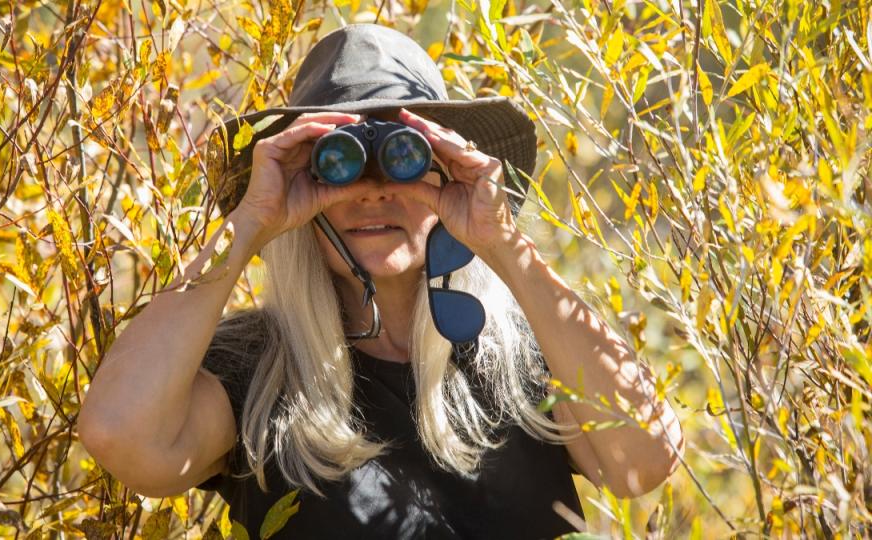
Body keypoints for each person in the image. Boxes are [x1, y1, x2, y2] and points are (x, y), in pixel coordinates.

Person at [78, 24, 684, 539]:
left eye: (405, 155)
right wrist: (251, 223)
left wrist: (500, 241)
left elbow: (644, 461)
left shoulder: (519, 356)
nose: (373, 189)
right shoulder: (259, 371)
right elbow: (120, 437)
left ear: (448, 167)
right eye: (337, 163)